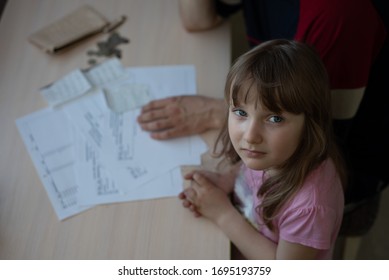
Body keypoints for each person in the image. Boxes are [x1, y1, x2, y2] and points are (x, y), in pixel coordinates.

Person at [179, 39, 347, 259]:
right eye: (240, 113)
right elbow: (251, 171)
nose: (250, 136)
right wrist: (228, 180)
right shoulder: (273, 153)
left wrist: (222, 214)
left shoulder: (310, 208)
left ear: (310, 123)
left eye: (275, 118)